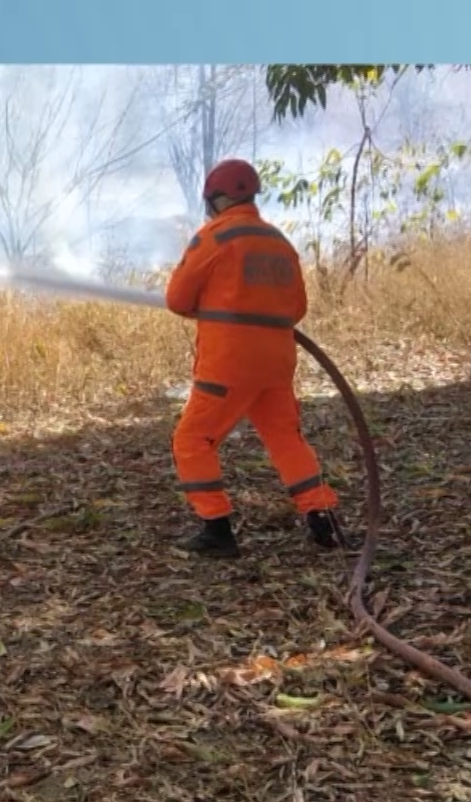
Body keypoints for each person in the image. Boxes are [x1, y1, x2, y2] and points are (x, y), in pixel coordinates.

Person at [163, 158, 346, 559]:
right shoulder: (279, 242)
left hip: (227, 365)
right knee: (285, 438)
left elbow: (177, 299)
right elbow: (296, 308)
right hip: (276, 363)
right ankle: (324, 521)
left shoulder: (213, 237)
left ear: (215, 199)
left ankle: (217, 530)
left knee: (192, 440)